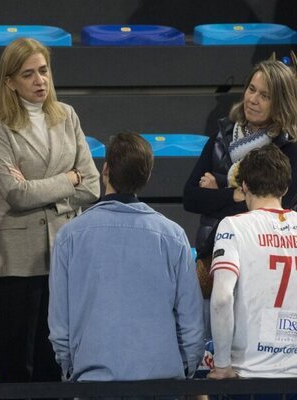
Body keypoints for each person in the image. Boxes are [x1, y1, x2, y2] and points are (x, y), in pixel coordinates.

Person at [0, 38, 100, 383]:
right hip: (16, 257)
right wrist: (68, 178)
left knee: (53, 358)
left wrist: (44, 188)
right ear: (10, 82)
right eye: (29, 74)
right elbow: (16, 194)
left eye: (44, 71)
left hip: (62, 251)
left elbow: (91, 186)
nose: (40, 81)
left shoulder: (67, 117)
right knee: (18, 361)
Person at [48, 132, 204, 382]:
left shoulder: (69, 236)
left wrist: (71, 370)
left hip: (94, 382)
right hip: (161, 383)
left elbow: (59, 324)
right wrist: (184, 368)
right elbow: (191, 321)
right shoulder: (173, 236)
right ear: (147, 176)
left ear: (105, 169)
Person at [183, 60, 297, 261]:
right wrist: (234, 195)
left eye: (265, 96)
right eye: (251, 89)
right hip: (212, 253)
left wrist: (216, 192)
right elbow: (190, 197)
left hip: (260, 258)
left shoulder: (289, 149)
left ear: (280, 103)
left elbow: (274, 213)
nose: (253, 99)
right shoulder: (222, 136)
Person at [208, 144, 297, 380]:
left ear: (244, 186)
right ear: (286, 187)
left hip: (248, 374)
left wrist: (222, 364)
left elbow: (222, 297)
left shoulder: (233, 226)